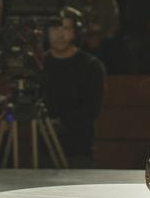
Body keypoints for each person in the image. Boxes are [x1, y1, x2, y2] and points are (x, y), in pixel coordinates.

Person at [40, 8, 107, 167]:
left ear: (75, 32)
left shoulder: (90, 65)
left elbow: (93, 108)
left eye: (66, 28)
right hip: (43, 147)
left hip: (78, 149)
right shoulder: (38, 64)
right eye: (55, 28)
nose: (60, 34)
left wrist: (62, 124)